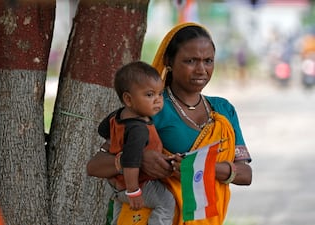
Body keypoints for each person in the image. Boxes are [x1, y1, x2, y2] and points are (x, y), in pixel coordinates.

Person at [87, 22, 252, 225]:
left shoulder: (224, 110)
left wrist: (200, 168)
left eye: (208, 61)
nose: (201, 69)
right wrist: (136, 159)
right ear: (169, 61)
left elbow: (245, 175)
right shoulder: (150, 107)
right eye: (190, 61)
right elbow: (95, 165)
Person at [97, 61, 175, 225]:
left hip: (115, 184)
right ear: (128, 99)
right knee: (166, 202)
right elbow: (131, 162)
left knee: (118, 218)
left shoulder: (118, 115)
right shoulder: (139, 129)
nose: (157, 100)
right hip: (134, 183)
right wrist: (134, 191)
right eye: (149, 95)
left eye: (160, 94)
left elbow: (102, 130)